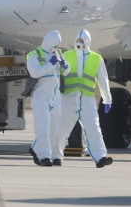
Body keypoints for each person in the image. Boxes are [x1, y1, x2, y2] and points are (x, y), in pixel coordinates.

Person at [54, 29, 113, 168]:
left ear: (87, 42)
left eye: (82, 41)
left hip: (87, 100)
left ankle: (100, 157)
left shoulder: (96, 58)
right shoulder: (67, 55)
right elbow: (58, 74)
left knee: (93, 128)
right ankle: (55, 156)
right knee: (61, 128)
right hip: (68, 98)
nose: (79, 43)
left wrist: (107, 99)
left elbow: (103, 80)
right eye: (78, 41)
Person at [27, 29, 70, 167]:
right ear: (49, 43)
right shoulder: (34, 55)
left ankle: (42, 151)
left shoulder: (57, 53)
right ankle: (44, 157)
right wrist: (50, 63)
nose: (57, 48)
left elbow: (66, 71)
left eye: (58, 46)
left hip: (55, 95)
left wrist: (65, 66)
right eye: (55, 45)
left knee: (55, 128)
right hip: (40, 95)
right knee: (43, 127)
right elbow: (34, 72)